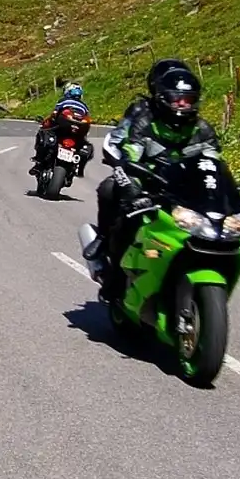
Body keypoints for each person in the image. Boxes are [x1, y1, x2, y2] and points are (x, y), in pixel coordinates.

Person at [88, 59, 217, 302]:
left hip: (186, 189)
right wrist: (128, 175)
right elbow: (125, 146)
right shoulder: (142, 116)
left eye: (187, 98)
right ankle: (110, 258)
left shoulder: (202, 128)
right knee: (110, 192)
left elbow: (214, 161)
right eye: (177, 97)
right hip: (149, 184)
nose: (182, 103)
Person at [30, 83, 91, 173]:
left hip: (61, 130)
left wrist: (44, 123)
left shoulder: (64, 101)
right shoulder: (84, 106)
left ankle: (38, 162)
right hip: (77, 133)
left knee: (43, 135)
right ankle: (75, 168)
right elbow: (87, 123)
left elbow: (54, 114)